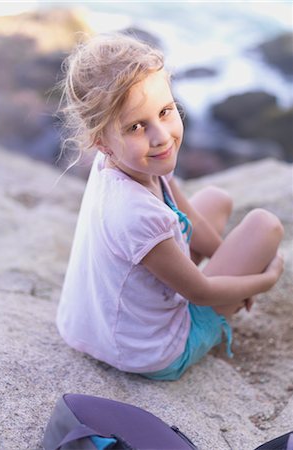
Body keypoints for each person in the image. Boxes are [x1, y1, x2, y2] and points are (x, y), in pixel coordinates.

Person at [56, 33, 284, 380]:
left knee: (215, 200)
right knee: (265, 226)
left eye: (165, 111)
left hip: (94, 327)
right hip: (151, 352)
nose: (161, 136)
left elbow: (188, 214)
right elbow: (200, 291)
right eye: (136, 126)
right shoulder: (136, 214)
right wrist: (260, 282)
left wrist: (237, 267)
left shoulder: (120, 162)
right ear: (101, 141)